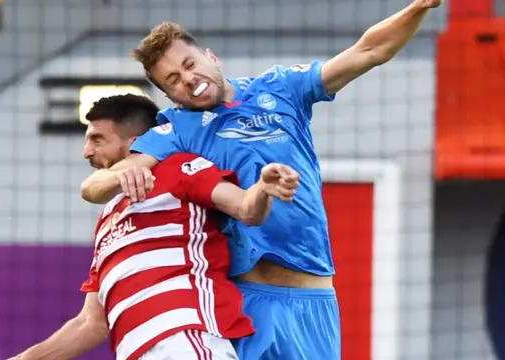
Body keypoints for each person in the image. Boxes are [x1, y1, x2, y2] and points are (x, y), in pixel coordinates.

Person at [79, 1, 444, 359]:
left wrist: (417, 8)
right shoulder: (176, 129)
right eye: (173, 80)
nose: (189, 80)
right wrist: (125, 172)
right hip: (247, 302)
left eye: (190, 65)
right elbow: (97, 186)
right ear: (167, 94)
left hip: (315, 303)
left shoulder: (281, 88)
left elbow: (370, 50)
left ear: (211, 57)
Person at [8, 94, 299, 360]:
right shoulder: (107, 220)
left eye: (97, 139)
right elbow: (90, 323)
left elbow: (246, 209)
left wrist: (262, 188)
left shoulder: (177, 169)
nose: (86, 152)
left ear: (134, 142)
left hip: (185, 341)